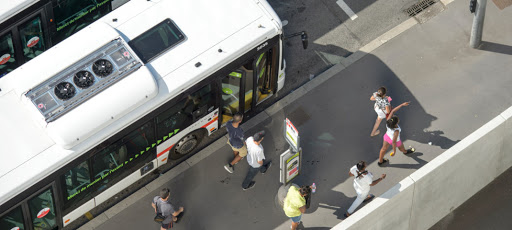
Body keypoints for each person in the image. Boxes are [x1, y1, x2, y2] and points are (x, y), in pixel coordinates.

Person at [378, 101, 415, 166]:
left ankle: (380, 161)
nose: (398, 119)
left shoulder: (388, 121)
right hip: (395, 141)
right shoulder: (396, 131)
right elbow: (394, 142)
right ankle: (405, 152)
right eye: (397, 120)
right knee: (401, 148)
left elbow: (392, 112)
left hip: (387, 137)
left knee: (383, 149)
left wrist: (402, 104)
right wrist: (394, 151)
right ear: (396, 123)